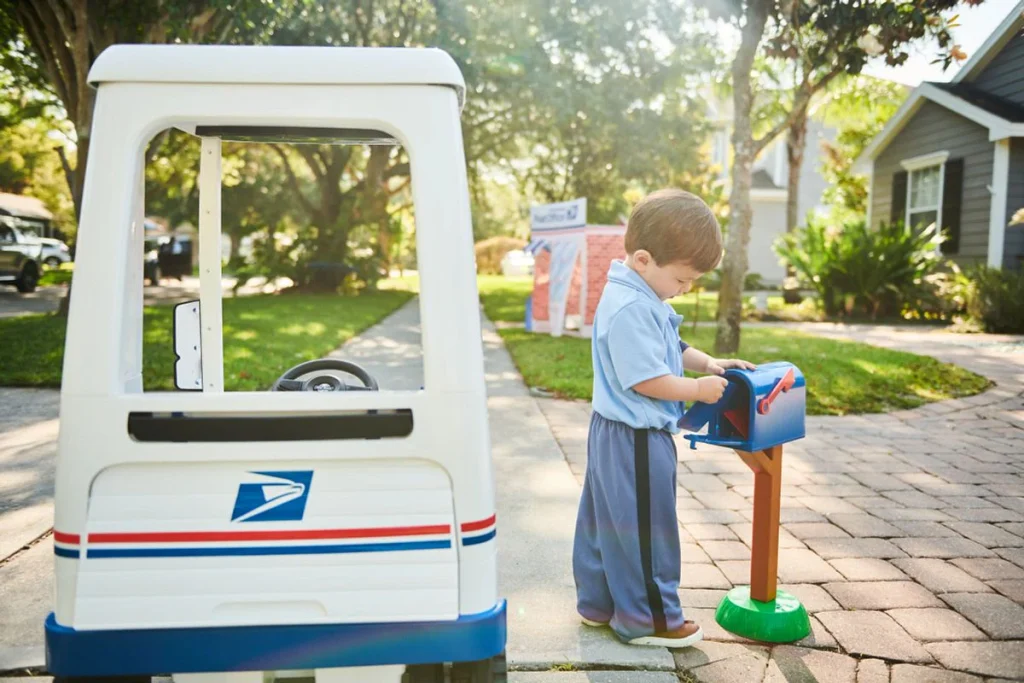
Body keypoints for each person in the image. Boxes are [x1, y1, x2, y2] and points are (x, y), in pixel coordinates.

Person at [573, 188, 755, 647]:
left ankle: (600, 603)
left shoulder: (636, 293)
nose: (685, 289)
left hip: (612, 431)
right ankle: (651, 619)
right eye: (683, 279)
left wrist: (709, 364)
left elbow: (671, 346)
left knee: (606, 521)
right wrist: (696, 390)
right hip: (636, 435)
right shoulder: (635, 306)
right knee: (646, 528)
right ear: (643, 258)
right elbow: (646, 379)